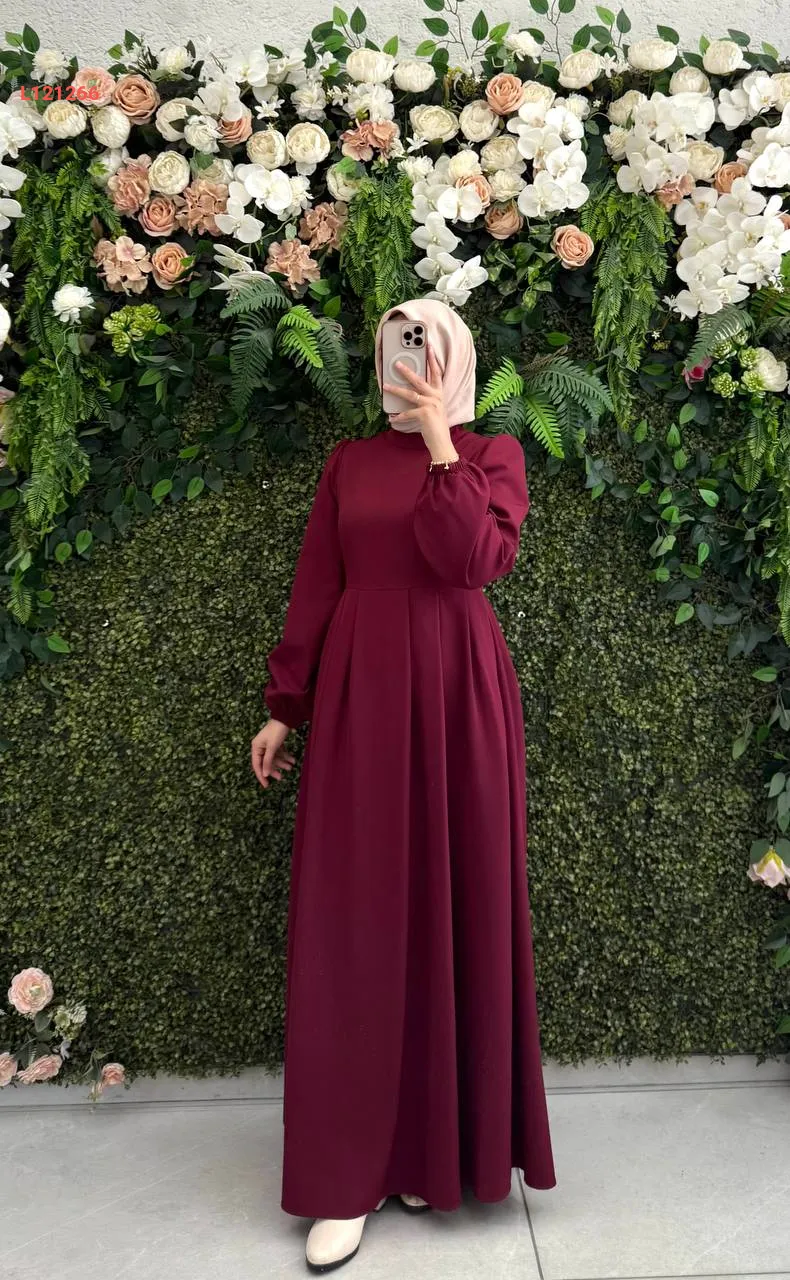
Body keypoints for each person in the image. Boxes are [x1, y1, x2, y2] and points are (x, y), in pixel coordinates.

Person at [251, 298, 556, 1274]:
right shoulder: (347, 464)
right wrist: (285, 704)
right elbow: (318, 582)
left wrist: (437, 443)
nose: (409, 359)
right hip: (362, 701)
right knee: (357, 922)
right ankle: (347, 1173)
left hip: (461, 700)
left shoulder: (492, 456)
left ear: (457, 357)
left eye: (425, 344)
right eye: (395, 345)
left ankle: (432, 1152)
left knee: (454, 909)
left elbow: (472, 560)